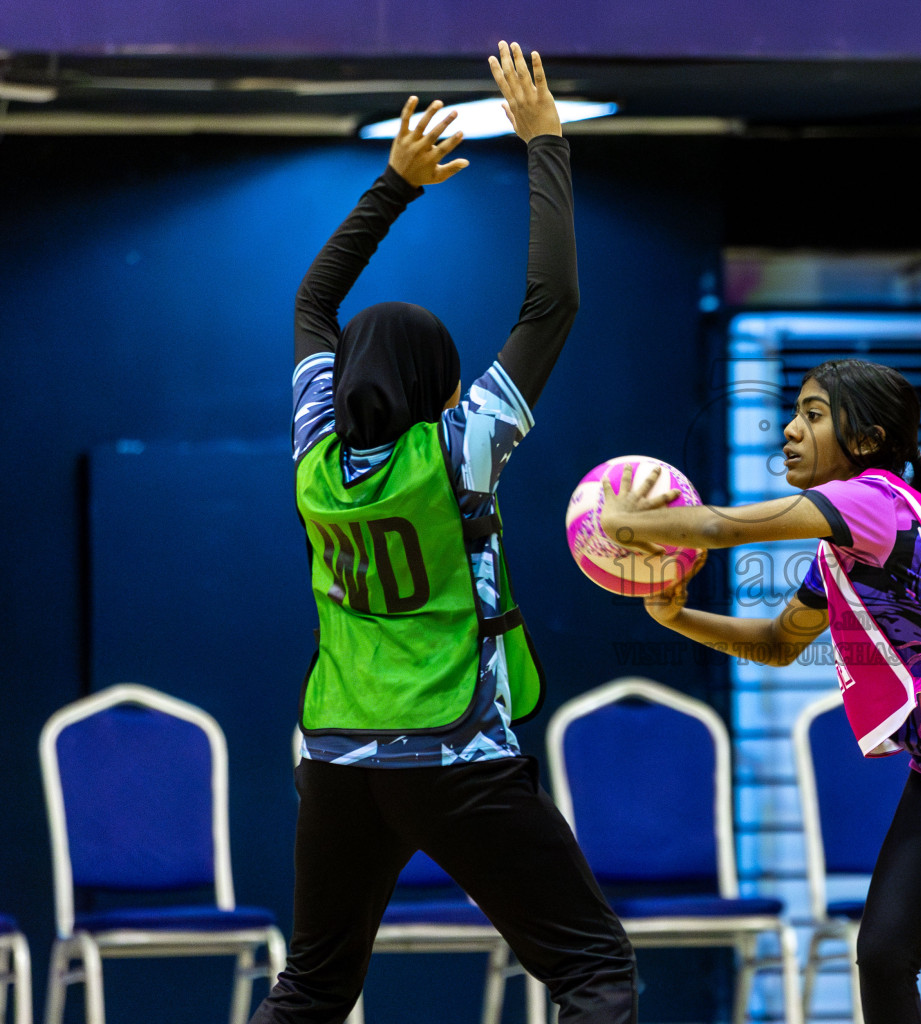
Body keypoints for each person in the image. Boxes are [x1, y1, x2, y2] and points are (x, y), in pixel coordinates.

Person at [252, 42, 636, 1024]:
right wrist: (544, 142)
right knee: (594, 973)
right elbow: (553, 303)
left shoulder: (314, 452)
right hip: (453, 752)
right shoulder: (457, 449)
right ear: (435, 387)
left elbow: (308, 304)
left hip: (335, 754)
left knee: (313, 987)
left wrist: (392, 186)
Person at [601, 358, 921, 1024]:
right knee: (883, 954)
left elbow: (717, 528)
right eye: (794, 413)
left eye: (812, 416)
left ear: (870, 441)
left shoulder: (870, 500)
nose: (789, 431)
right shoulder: (841, 549)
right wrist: (677, 617)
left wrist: (625, 522)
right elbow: (776, 643)